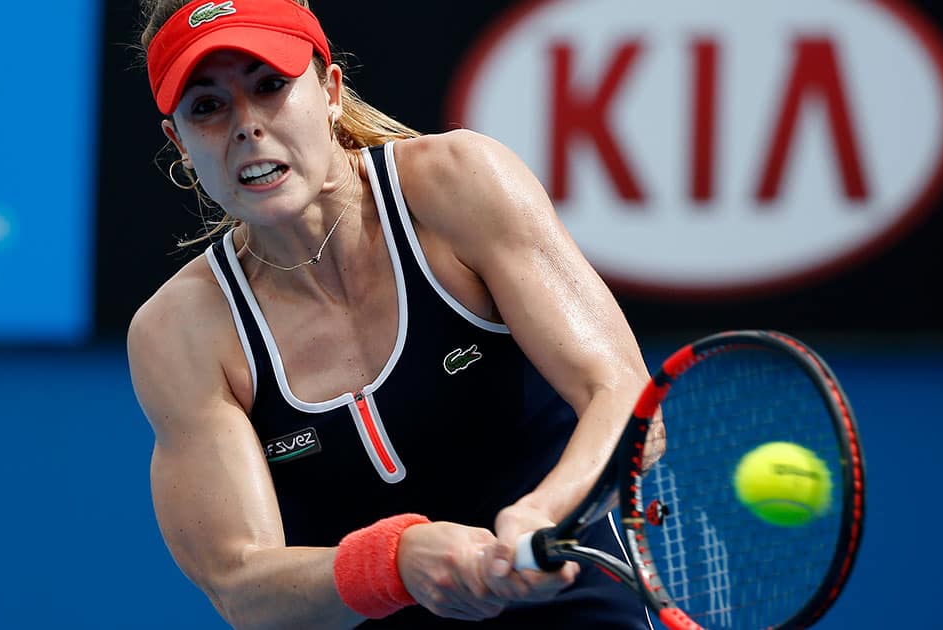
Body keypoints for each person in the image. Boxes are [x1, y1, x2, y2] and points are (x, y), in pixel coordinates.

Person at [127, 0, 662, 627]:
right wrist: (391, 562)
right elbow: (244, 588)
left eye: (270, 86)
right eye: (208, 107)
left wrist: (542, 514)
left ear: (329, 91)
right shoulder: (179, 333)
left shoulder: (457, 184)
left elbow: (626, 397)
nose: (247, 126)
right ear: (180, 143)